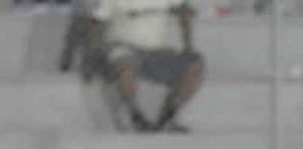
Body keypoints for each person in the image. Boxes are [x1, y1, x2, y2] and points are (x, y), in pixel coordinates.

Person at [63, 0, 204, 133]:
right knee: (126, 61)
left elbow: (185, 10)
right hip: (121, 46)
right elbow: (96, 23)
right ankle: (134, 116)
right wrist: (91, 56)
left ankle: (167, 118)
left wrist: (188, 46)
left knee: (195, 67)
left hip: (155, 51)